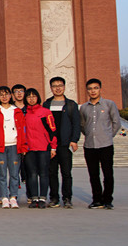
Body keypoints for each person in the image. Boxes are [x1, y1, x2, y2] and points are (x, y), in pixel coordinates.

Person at [80, 78, 121, 210]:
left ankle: (108, 199)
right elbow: (82, 125)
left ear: (100, 89)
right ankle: (97, 199)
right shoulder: (84, 108)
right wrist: (89, 134)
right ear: (87, 91)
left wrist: (108, 135)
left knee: (107, 174)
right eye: (90, 89)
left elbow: (116, 123)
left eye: (95, 88)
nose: (93, 91)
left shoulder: (109, 104)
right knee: (93, 175)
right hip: (90, 146)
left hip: (106, 145)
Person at [43, 76, 81, 208]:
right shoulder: (47, 104)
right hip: (50, 145)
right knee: (51, 173)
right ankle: (54, 198)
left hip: (65, 144)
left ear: (64, 87)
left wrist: (74, 140)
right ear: (51, 88)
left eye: (60, 85)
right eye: (55, 86)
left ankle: (67, 198)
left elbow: (76, 124)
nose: (57, 88)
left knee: (66, 173)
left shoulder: (71, 105)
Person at [0, 86, 27, 209]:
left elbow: (22, 130)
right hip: (0, 147)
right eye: (1, 95)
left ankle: (13, 197)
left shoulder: (17, 111)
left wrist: (23, 146)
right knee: (2, 174)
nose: (4, 97)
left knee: (14, 173)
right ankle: (4, 197)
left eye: (6, 94)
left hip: (14, 146)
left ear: (10, 95)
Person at [23, 88, 57, 209]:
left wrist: (53, 147)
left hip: (43, 147)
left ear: (38, 98)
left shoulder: (45, 112)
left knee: (43, 173)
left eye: (34, 96)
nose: (31, 99)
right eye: (29, 96)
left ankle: (42, 198)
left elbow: (52, 130)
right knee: (31, 174)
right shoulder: (23, 114)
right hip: (29, 148)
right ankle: (34, 198)